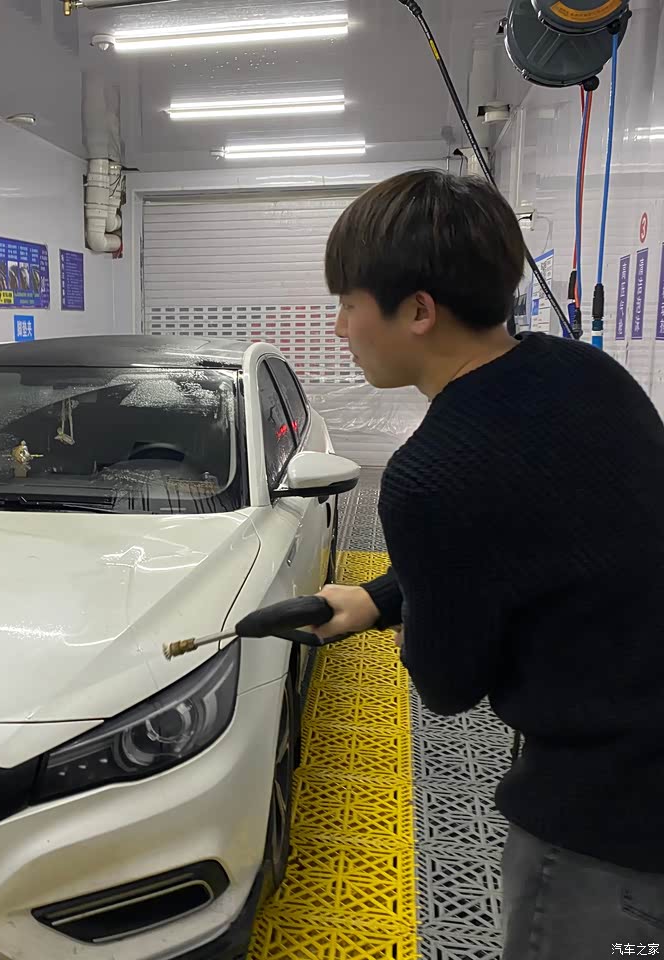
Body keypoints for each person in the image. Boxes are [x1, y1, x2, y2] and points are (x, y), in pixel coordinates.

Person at [310, 169, 664, 957]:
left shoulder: (430, 476)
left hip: (607, 830)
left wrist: (420, 619)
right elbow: (534, 539)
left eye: (348, 304)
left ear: (418, 311)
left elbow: (448, 685)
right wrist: (377, 598)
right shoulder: (585, 373)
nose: (338, 328)